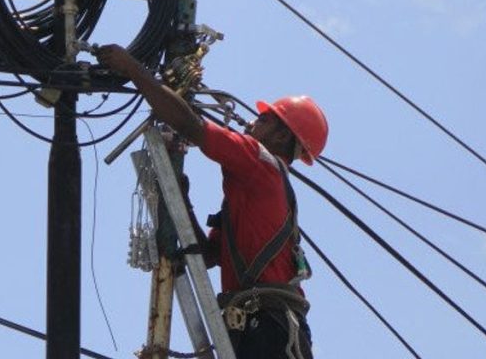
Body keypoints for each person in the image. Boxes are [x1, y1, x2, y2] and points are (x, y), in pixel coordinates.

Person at [95, 44, 328, 359]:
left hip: (267, 327)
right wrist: (182, 199)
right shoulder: (253, 191)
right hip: (255, 327)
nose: (249, 125)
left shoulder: (259, 162)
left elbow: (192, 126)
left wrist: (134, 70)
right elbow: (208, 256)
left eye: (262, 120)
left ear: (281, 137)